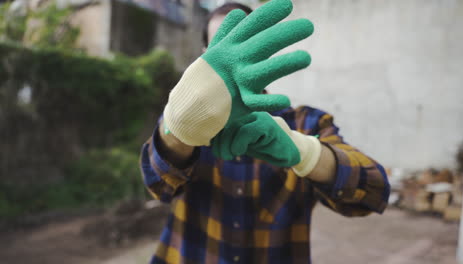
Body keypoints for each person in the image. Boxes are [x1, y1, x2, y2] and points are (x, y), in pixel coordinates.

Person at [140, 0, 390, 263]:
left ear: (263, 52)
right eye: (219, 49)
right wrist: (180, 130)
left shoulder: (306, 123)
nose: (231, 61)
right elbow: (157, 184)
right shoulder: (183, 118)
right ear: (203, 56)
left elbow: (374, 190)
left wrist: (305, 151)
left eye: (244, 46)